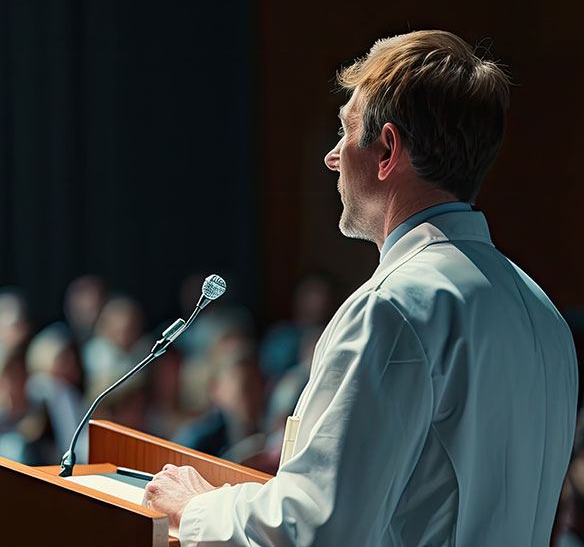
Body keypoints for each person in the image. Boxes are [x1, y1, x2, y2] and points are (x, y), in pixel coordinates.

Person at [143, 30, 579, 546]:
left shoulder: (393, 309)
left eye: (345, 130)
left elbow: (317, 530)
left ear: (387, 149)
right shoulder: (543, 311)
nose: (332, 157)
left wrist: (197, 509)